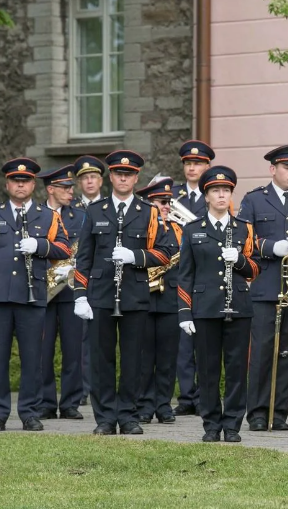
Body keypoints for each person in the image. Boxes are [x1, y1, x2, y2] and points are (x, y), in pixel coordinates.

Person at [73, 150, 176, 436]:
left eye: (128, 174)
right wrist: (80, 294)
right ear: (111, 176)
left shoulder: (149, 211)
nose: (123, 178)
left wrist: (136, 256)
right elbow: (84, 257)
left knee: (133, 360)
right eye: (119, 173)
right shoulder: (96, 211)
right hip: (101, 294)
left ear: (136, 178)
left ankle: (129, 416)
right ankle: (105, 418)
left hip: (134, 293)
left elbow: (166, 252)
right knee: (101, 360)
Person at [0, 158, 70, 433]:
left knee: (32, 358)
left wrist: (40, 245)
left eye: (25, 181)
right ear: (7, 184)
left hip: (32, 296)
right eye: (15, 180)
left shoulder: (48, 216)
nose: (20, 185)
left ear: (33, 185)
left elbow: (65, 249)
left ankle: (30, 412)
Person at [239, 144, 288, 432]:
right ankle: (258, 413)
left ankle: (279, 413)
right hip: (265, 286)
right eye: (287, 168)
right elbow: (243, 240)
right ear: (273, 169)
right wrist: (272, 247)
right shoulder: (254, 200)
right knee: (262, 352)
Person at [177, 166, 260, 443]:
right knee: (208, 370)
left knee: (236, 370)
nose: (222, 195)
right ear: (206, 196)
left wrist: (240, 260)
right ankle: (211, 424)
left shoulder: (244, 228)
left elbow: (255, 269)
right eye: (216, 191)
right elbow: (185, 274)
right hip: (205, 307)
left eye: (226, 190)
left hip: (238, 306)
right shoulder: (192, 230)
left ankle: (233, 424)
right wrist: (185, 312)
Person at [39, 165, 87, 421]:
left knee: (73, 350)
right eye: (65, 188)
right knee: (42, 350)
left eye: (71, 187)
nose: (71, 192)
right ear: (51, 189)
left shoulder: (80, 217)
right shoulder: (35, 215)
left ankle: (70, 403)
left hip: (70, 291)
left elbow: (87, 250)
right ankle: (46, 403)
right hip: (43, 291)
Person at [172, 140, 215, 417]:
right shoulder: (172, 196)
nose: (192, 168)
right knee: (183, 342)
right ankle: (186, 396)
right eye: (188, 163)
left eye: (197, 164)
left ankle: (202, 397)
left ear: (207, 166)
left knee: (204, 341)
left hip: (205, 273)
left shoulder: (215, 193)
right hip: (178, 271)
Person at [136, 177, 183, 424]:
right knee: (143, 357)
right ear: (149, 204)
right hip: (142, 297)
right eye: (160, 202)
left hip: (170, 299)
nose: (165, 206)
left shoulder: (178, 230)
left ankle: (163, 405)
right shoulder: (139, 228)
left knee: (167, 357)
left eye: (167, 202)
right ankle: (143, 405)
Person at [73, 155, 106, 406]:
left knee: (100, 340)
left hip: (103, 280)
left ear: (101, 181)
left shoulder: (110, 207)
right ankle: (80, 389)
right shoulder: (71, 210)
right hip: (75, 280)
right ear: (79, 183)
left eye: (94, 177)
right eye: (85, 178)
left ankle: (98, 386)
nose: (90, 181)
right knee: (78, 339)